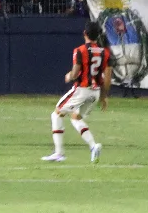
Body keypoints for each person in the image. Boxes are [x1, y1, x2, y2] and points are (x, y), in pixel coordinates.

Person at [43, 21, 110, 163]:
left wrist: (69, 76)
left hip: (82, 90)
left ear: (85, 34)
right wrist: (104, 97)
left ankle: (59, 153)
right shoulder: (105, 53)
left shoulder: (80, 50)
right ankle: (93, 146)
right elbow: (108, 78)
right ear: (98, 36)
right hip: (95, 92)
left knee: (56, 114)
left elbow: (75, 73)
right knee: (75, 117)